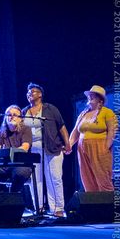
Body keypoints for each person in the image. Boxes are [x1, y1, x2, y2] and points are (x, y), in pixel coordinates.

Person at [22, 83, 72, 217]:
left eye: (32, 92)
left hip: (52, 147)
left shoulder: (50, 109)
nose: (29, 94)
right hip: (32, 150)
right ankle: (38, 208)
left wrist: (67, 144)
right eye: (28, 92)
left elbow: (62, 127)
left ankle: (58, 209)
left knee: (54, 178)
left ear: (40, 94)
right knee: (35, 179)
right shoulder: (24, 111)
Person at [69, 85, 116, 192]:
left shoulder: (107, 112)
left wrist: (106, 148)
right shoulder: (83, 114)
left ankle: (108, 206)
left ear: (100, 99)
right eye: (89, 95)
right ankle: (93, 206)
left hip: (99, 147)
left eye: (93, 95)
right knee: (87, 178)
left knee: (103, 178)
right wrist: (69, 145)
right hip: (82, 148)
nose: (90, 97)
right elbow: (76, 131)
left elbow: (111, 132)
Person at [0, 105, 33, 194]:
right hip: (6, 165)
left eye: (15, 114)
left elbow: (25, 148)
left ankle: (14, 197)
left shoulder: (26, 129)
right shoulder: (2, 131)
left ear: (20, 118)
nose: (11, 117)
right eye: (9, 114)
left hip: (22, 165)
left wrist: (7, 152)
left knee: (19, 172)